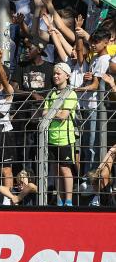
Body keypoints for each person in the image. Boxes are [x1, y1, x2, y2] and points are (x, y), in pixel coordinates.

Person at [44, 62, 78, 207]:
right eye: (54, 74)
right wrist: (54, 112)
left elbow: (64, 115)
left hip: (65, 138)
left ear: (67, 76)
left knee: (65, 169)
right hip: (51, 137)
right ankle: (59, 199)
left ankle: (69, 201)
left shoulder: (71, 93)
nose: (56, 76)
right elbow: (44, 113)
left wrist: (52, 111)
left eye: (59, 73)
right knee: (56, 169)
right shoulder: (51, 93)